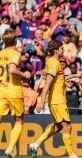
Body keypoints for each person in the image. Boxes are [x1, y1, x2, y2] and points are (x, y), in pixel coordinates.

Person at [29, 40, 78, 158]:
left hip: (58, 99)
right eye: (61, 48)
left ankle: (35, 144)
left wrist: (71, 79)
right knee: (67, 126)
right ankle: (72, 155)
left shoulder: (52, 62)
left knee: (58, 126)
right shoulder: (54, 63)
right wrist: (41, 101)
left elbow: (57, 80)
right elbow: (48, 84)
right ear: (56, 50)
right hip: (57, 100)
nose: (63, 50)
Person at [0, 29, 31, 157]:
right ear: (15, 40)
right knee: (19, 121)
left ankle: (10, 151)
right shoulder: (15, 53)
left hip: (2, 89)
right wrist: (24, 74)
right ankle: (10, 148)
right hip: (14, 90)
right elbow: (12, 69)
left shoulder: (1, 53)